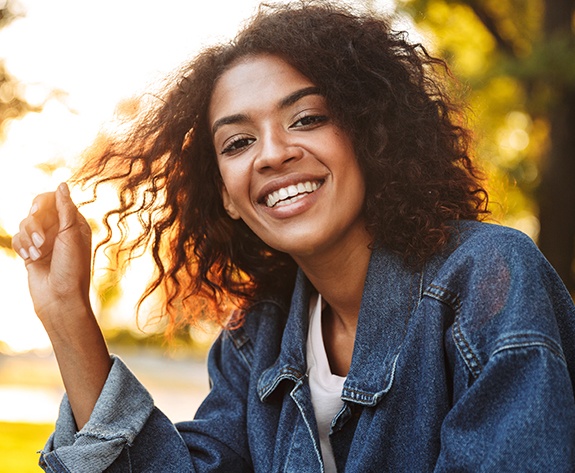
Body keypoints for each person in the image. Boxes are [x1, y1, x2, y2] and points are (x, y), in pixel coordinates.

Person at [12, 1, 575, 471]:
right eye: (237, 143)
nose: (274, 153)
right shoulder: (256, 340)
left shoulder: (489, 279)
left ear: (368, 134)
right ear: (227, 197)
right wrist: (66, 314)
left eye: (306, 119)